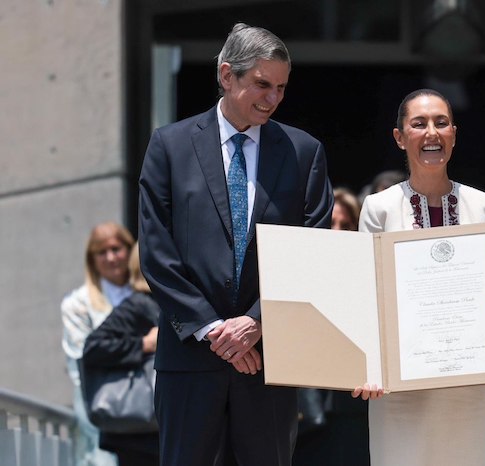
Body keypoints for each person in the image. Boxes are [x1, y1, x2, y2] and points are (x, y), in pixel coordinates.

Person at [138, 22, 334, 466]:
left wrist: (256, 323)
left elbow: (313, 253)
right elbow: (156, 252)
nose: (273, 99)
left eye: (281, 88)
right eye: (262, 85)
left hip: (268, 362)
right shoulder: (169, 146)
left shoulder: (304, 152)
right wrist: (213, 330)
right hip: (189, 361)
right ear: (227, 76)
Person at [353, 88, 485, 465]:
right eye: (419, 124)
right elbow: (363, 297)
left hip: (470, 389)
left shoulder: (484, 204)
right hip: (400, 391)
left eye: (441, 123)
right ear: (400, 138)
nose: (432, 132)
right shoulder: (378, 208)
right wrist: (367, 367)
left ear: (454, 134)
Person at [293, 186, 370, 466]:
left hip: (351, 407)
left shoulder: (369, 281)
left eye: (346, 225)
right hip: (301, 410)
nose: (337, 232)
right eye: (330, 224)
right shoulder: (293, 275)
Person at [61, 221, 135, 466]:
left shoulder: (148, 295)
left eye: (116, 249)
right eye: (101, 252)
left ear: (129, 249)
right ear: (91, 259)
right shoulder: (77, 304)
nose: (111, 257)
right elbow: (84, 357)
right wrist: (142, 345)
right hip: (101, 403)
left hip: (148, 403)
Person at [83, 243, 160, 466]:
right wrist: (144, 344)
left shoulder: (151, 303)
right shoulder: (138, 304)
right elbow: (93, 348)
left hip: (147, 431)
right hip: (138, 436)